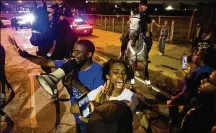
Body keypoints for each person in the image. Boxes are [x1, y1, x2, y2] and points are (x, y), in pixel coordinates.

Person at [8, 36, 104, 133]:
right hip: (76, 112)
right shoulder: (71, 64)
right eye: (74, 51)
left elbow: (98, 99)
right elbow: (46, 62)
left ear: (89, 54)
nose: (74, 54)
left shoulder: (99, 71)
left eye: (78, 52)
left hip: (90, 115)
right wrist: (25, 55)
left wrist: (76, 84)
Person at [70, 59, 139, 115]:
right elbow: (73, 109)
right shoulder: (99, 92)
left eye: (124, 73)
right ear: (108, 76)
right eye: (116, 72)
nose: (121, 76)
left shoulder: (131, 96)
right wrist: (96, 103)